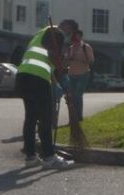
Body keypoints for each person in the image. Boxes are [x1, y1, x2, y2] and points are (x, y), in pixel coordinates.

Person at [16, 19, 75, 169]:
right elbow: (52, 55)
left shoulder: (40, 34)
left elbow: (47, 59)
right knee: (45, 118)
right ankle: (49, 157)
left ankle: (30, 156)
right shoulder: (57, 33)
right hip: (38, 78)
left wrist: (58, 75)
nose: (67, 37)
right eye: (70, 33)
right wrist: (61, 66)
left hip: (23, 76)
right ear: (67, 28)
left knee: (31, 118)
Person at [64, 29, 95, 121]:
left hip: (83, 74)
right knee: (72, 96)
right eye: (74, 39)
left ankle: (78, 117)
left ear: (81, 37)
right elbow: (65, 62)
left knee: (78, 95)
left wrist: (80, 59)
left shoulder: (86, 47)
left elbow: (91, 61)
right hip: (71, 74)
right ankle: (73, 117)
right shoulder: (70, 48)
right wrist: (68, 59)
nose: (75, 41)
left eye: (77, 39)